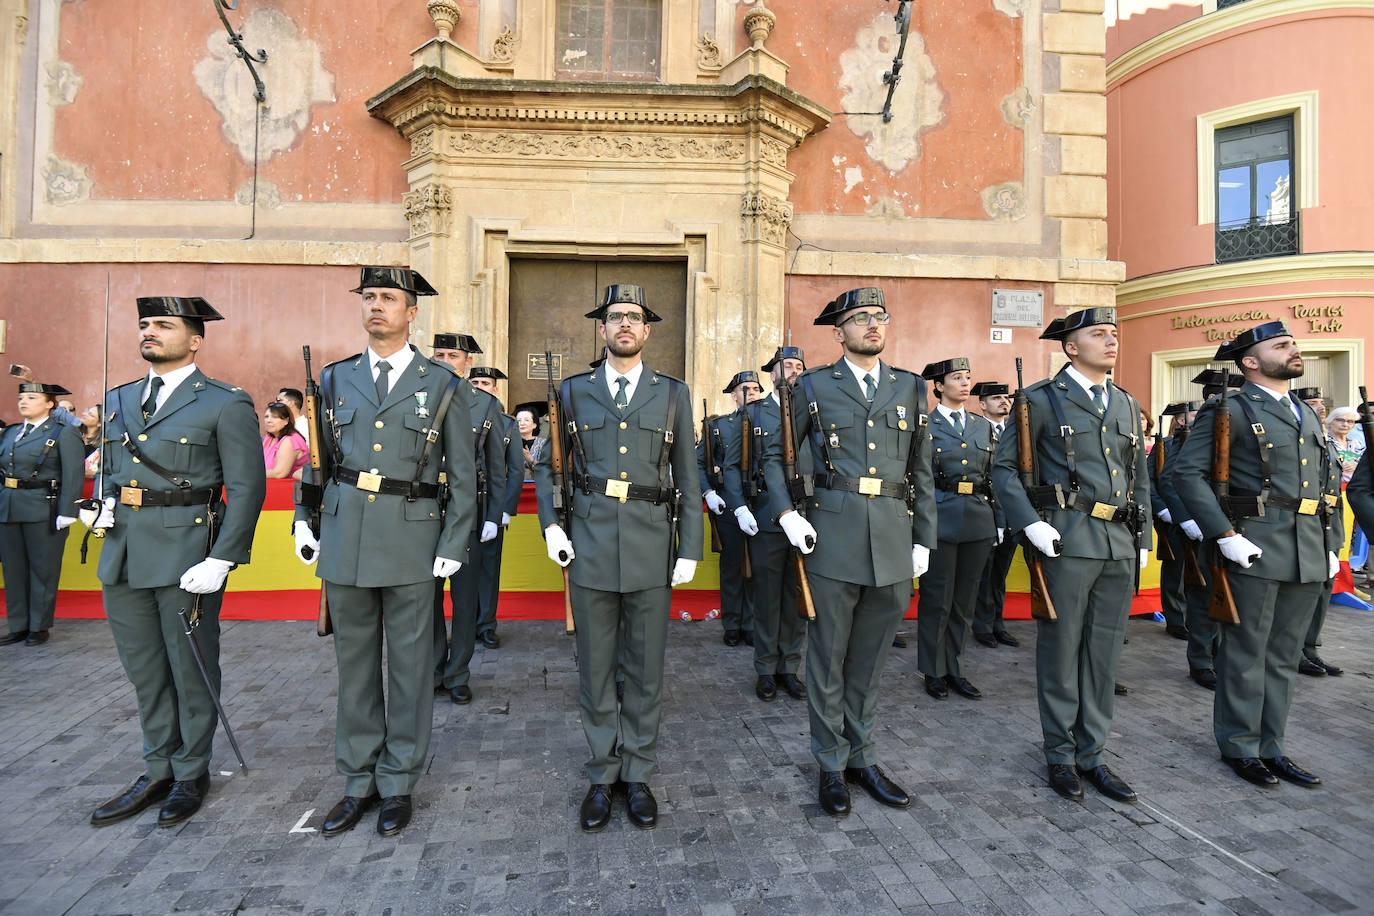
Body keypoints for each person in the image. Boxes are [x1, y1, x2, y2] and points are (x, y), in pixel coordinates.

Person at [293, 267, 475, 837]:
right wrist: (305, 520)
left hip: (413, 540)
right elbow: (316, 463)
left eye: (389, 298)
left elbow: (464, 480)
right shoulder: (335, 379)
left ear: (411, 311)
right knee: (354, 668)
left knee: (412, 669)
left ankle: (397, 781)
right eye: (369, 297)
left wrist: (452, 542)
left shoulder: (442, 384)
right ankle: (357, 779)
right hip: (346, 538)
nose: (377, 307)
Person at [88, 296, 266, 829]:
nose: (150, 332)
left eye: (163, 325)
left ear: (194, 339)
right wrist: (104, 506)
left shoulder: (222, 402)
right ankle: (157, 766)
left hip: (187, 553)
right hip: (123, 550)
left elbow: (247, 487)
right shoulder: (117, 398)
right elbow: (116, 474)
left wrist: (223, 558)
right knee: (145, 670)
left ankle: (191, 771)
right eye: (145, 325)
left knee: (190, 668)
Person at [763, 287, 936, 818]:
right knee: (829, 657)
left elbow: (920, 468)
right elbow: (776, 454)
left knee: (870, 659)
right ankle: (831, 764)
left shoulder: (909, 387)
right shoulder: (813, 386)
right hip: (832, 531)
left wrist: (924, 538)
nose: (872, 325)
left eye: (879, 317)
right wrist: (787, 513)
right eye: (859, 319)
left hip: (891, 532)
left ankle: (863, 757)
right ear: (839, 333)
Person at [533, 283, 701, 832]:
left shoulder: (673, 393)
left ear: (647, 331)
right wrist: (553, 526)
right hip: (590, 544)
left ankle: (638, 773)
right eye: (614, 317)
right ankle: (603, 773)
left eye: (634, 317)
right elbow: (547, 465)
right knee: (596, 668)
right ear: (601, 330)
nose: (624, 324)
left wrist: (690, 548)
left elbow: (689, 480)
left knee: (646, 668)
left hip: (653, 543)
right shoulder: (572, 393)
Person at [991, 307, 1151, 805]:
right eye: (1097, 334)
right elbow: (1005, 471)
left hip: (1117, 542)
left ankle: (1093, 754)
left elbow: (1139, 475)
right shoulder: (1039, 400)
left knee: (1103, 655)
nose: (1110, 341)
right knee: (1062, 651)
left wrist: (1143, 539)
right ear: (1070, 346)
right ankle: (1059, 753)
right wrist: (1032, 524)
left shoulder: (1125, 403)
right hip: (1067, 537)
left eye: (1113, 333)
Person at [1174, 320, 1335, 790]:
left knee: (1284, 655)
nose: (1293, 349)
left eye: (1293, 343)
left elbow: (1323, 486)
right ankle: (1241, 746)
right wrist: (1224, 534)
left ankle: (1273, 745)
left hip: (1305, 546)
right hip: (1255, 544)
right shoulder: (1230, 409)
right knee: (1246, 653)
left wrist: (1329, 546)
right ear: (1249, 361)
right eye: (1281, 345)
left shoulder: (1305, 412)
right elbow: (1188, 476)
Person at [724, 347, 808, 705]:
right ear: (771, 373)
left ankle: (789, 667)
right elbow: (731, 466)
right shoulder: (753, 413)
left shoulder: (811, 410)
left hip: (805, 517)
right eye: (785, 366)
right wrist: (740, 507)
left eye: (798, 367)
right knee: (767, 596)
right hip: (767, 518)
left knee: (796, 596)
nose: (792, 372)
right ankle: (765, 669)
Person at [429, 335, 507, 701]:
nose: (445, 360)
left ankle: (457, 672)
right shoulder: (419, 392)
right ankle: (431, 670)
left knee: (463, 601)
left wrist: (493, 515)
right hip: (423, 512)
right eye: (439, 354)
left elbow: (496, 469)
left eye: (453, 355)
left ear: (467, 360)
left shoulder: (486, 405)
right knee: (426, 599)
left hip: (468, 513)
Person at [916, 357, 998, 701]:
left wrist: (1000, 522)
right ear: (938, 386)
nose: (965, 383)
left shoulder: (982, 427)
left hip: (978, 519)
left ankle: (954, 667)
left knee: (964, 600)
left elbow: (995, 477)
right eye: (957, 378)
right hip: (940, 516)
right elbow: (918, 479)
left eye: (968, 377)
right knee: (937, 599)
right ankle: (933, 670)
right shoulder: (925, 425)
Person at [0, 382, 84, 646]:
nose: (23, 402)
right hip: (9, 506)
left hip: (42, 507)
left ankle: (39, 626)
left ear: (50, 404)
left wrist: (68, 509)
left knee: (43, 569)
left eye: (32, 397)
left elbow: (74, 472)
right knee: (13, 570)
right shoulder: (11, 432)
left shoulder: (63, 433)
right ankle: (18, 625)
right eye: (21, 397)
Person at [699, 371, 762, 648]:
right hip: (728, 505)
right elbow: (698, 463)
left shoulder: (774, 423)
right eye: (744, 388)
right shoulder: (719, 427)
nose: (751, 392)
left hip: (764, 506)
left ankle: (751, 623)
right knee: (733, 567)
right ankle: (733, 622)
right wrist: (709, 492)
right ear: (733, 395)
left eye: (756, 388)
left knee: (759, 568)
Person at [466, 366, 522, 651]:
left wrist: (504, 509)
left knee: (488, 567)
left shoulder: (508, 423)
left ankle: (486, 624)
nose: (479, 386)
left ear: (495, 388)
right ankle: (465, 625)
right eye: (474, 381)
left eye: (485, 382)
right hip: (463, 502)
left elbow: (515, 470)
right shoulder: (458, 416)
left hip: (492, 501)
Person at [970, 381, 1019, 649]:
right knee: (984, 573)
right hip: (986, 513)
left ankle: (997, 623)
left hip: (1010, 515)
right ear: (982, 404)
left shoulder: (1014, 432)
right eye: (997, 397)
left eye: (1006, 397)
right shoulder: (976, 430)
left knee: (1000, 573)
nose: (1004, 401)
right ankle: (982, 624)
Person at [1149, 404, 1190, 641]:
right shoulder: (1164, 445)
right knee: (1177, 569)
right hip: (1173, 517)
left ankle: (1193, 618)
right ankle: (1176, 619)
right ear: (1182, 421)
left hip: (1198, 517)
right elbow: (1152, 480)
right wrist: (1163, 509)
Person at [262, 402, 308, 479]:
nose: (268, 420)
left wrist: (249, 475)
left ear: (286, 421)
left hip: (290, 489)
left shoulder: (290, 440)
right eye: (266, 416)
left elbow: (279, 473)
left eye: (274, 417)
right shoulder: (269, 438)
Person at [515, 401, 548, 477]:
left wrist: (530, 459)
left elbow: (546, 469)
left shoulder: (543, 443)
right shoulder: (509, 442)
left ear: (534, 425)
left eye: (526, 420)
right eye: (518, 420)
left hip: (536, 486)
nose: (522, 423)